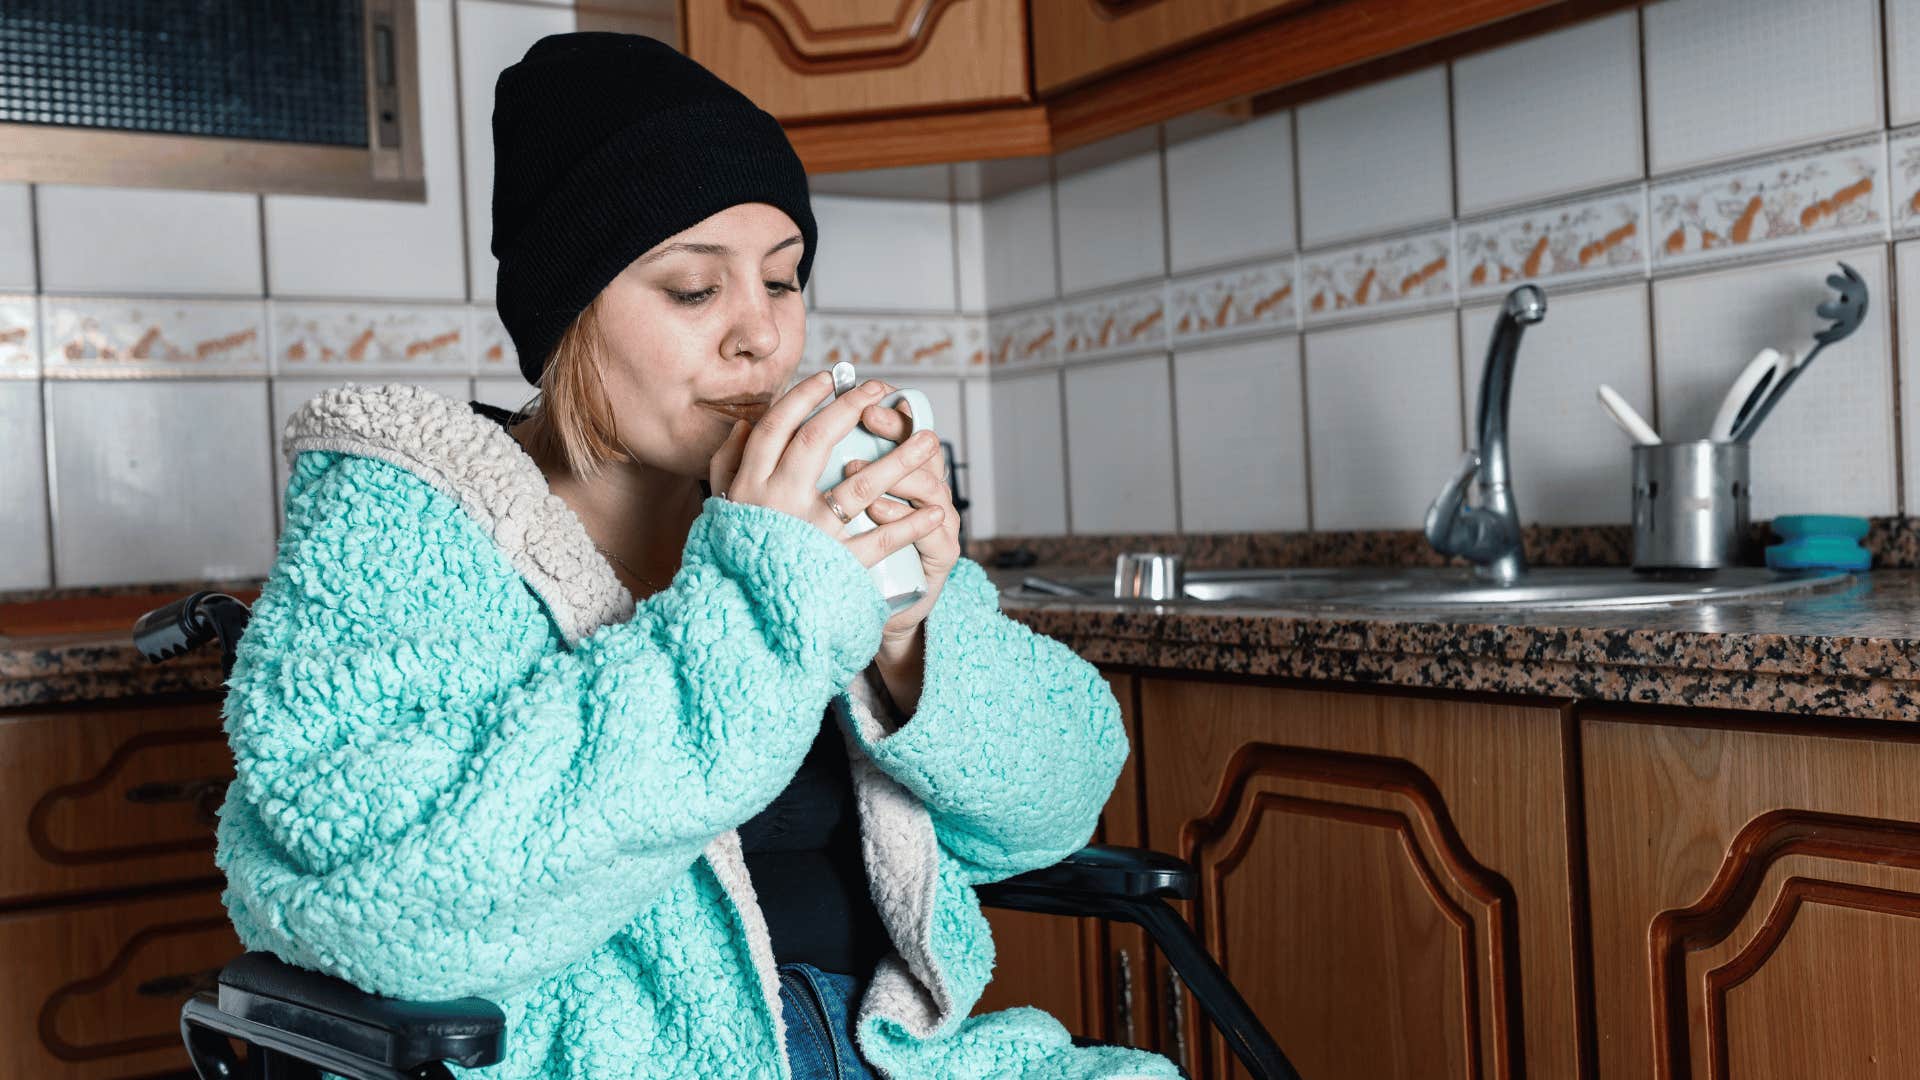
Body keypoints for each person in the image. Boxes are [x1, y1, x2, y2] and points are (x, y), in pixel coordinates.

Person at [213, 30, 1181, 1080]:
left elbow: (1054, 809)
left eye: (785, 279)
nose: (760, 337)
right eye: (693, 289)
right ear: (571, 312)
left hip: (908, 1059)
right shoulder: (409, 525)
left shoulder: (802, 511)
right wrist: (770, 603)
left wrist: (915, 638)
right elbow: (387, 900)